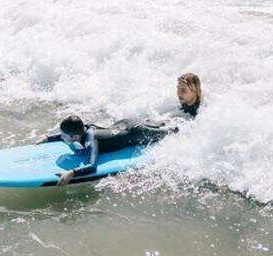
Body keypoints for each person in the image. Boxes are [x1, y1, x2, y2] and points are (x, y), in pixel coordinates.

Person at [38, 73, 202, 185]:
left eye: (64, 137)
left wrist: (71, 173)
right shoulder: (85, 129)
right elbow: (69, 133)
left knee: (172, 131)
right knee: (162, 122)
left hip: (136, 131)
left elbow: (92, 165)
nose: (62, 137)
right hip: (127, 123)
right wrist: (49, 138)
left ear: (75, 137)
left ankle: (195, 125)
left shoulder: (90, 139)